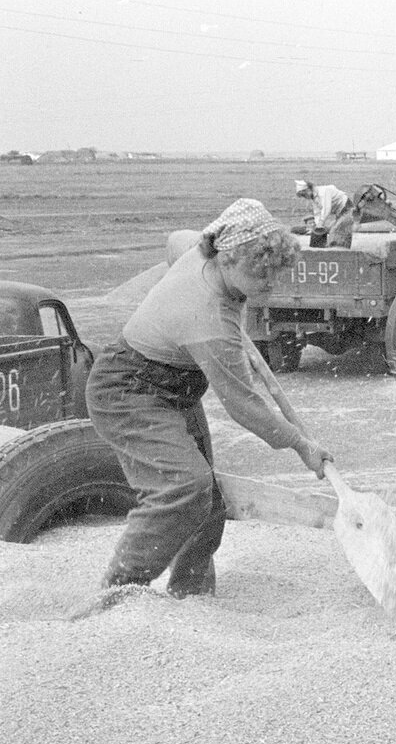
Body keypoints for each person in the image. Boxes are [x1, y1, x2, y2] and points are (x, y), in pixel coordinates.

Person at [86, 198, 332, 598]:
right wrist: (302, 445)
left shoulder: (200, 250)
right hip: (126, 391)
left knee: (208, 502)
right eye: (260, 274)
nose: (271, 284)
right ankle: (118, 592)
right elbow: (244, 407)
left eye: (275, 272)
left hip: (175, 387)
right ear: (228, 260)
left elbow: (176, 240)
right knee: (185, 486)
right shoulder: (211, 322)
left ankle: (192, 594)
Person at [294, 179, 354, 248]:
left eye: (304, 194)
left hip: (347, 208)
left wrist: (321, 222)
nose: (305, 197)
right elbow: (317, 212)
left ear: (308, 189)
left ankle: (341, 248)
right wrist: (317, 225)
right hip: (340, 212)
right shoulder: (314, 198)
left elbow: (326, 209)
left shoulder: (323, 192)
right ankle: (339, 247)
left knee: (336, 229)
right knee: (337, 229)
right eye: (303, 196)